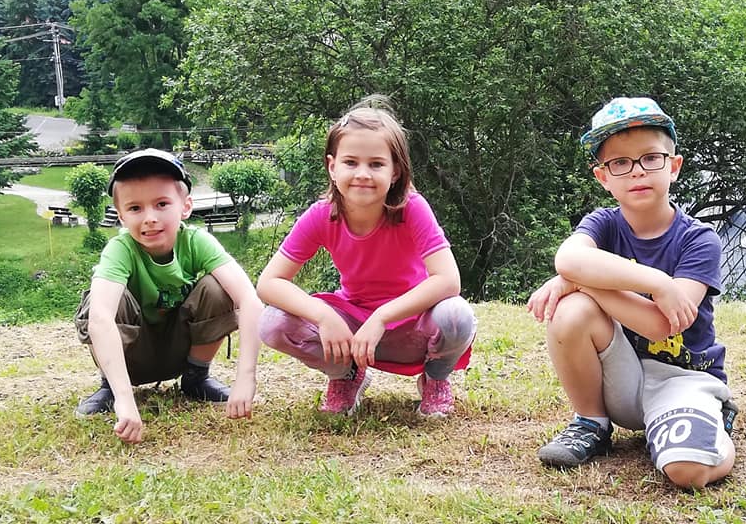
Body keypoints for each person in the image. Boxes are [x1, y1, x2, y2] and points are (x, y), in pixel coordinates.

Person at [526, 97, 735, 490]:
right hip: (622, 379)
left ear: (674, 166)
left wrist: (582, 280)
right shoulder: (603, 223)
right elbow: (568, 259)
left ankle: (712, 424)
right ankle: (592, 423)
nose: (637, 171)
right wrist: (656, 282)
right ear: (603, 177)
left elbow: (661, 325)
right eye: (620, 163)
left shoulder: (698, 240)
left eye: (651, 158)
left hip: (682, 379)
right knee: (572, 309)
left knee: (686, 471)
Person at [257, 99, 476, 417]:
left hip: (413, 325)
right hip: (353, 327)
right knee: (274, 322)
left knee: (456, 315)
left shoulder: (412, 208)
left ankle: (435, 378)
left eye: (376, 164)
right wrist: (324, 316)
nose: (362, 174)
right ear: (332, 167)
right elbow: (269, 283)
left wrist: (382, 317)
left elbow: (448, 280)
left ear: (395, 171)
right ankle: (346, 375)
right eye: (350, 162)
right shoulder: (321, 215)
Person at [74, 148, 264, 444]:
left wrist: (245, 378)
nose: (150, 218)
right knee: (102, 300)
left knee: (217, 288)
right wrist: (125, 399)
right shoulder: (119, 250)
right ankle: (110, 387)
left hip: (181, 352)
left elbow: (249, 300)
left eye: (162, 204)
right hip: (130, 358)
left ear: (185, 206)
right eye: (135, 208)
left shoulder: (197, 242)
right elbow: (100, 318)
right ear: (121, 216)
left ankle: (196, 378)